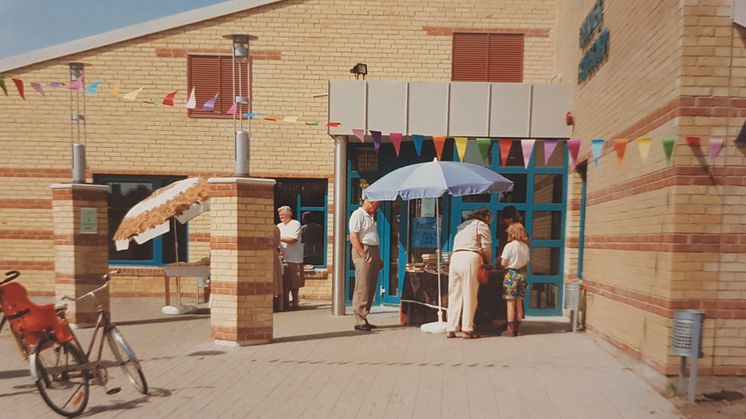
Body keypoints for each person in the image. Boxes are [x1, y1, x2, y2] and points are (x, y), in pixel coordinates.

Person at [446, 207, 492, 339]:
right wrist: (488, 261)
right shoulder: (481, 225)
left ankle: (451, 328)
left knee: (454, 293)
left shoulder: (462, 226)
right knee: (469, 294)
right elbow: (485, 247)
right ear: (486, 216)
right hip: (470, 257)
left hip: (455, 258)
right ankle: (467, 328)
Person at [349, 199, 383, 331]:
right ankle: (359, 319)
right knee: (362, 285)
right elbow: (353, 236)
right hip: (364, 249)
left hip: (373, 249)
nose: (376, 209)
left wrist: (377, 257)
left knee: (371, 284)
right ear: (370, 202)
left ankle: (364, 316)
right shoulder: (358, 215)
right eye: (376, 206)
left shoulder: (370, 217)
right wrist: (363, 254)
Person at [500, 222, 530, 337]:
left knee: (510, 302)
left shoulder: (509, 246)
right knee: (519, 302)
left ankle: (510, 329)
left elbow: (503, 263)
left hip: (511, 274)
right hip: (522, 274)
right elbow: (526, 262)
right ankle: (519, 329)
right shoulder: (525, 246)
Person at [277, 206, 305, 310]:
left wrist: (277, 237)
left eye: (283, 214)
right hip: (283, 257)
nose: (281, 216)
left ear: (289, 214)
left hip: (294, 257)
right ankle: (286, 302)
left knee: (295, 282)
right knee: (286, 282)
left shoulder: (295, 224)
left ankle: (295, 301)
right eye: (280, 215)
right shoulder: (279, 226)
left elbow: (293, 239)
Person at [271, 225, 284, 312]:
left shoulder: (273, 228)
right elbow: (278, 243)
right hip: (273, 253)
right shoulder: (275, 227)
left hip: (270, 254)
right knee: (274, 277)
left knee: (273, 277)